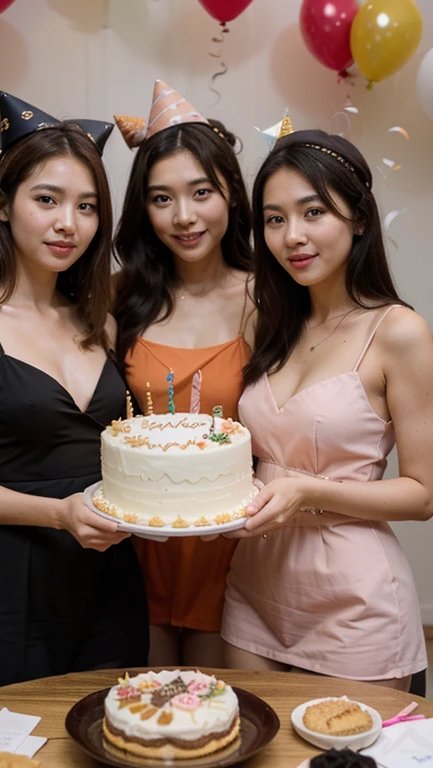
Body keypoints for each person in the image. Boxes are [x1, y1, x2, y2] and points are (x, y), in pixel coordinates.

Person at [0, 92, 148, 708]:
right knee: (10, 745)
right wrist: (59, 514)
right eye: (46, 199)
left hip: (110, 578)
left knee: (113, 736)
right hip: (8, 583)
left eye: (86, 207)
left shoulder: (98, 318)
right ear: (3, 204)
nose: (66, 224)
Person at [222, 124, 431, 690]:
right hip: (253, 588)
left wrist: (308, 491)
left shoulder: (399, 332)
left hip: (353, 601)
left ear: (358, 218)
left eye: (313, 212)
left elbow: (422, 494)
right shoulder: (270, 323)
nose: (293, 235)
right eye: (274, 218)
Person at [113, 81, 255, 666]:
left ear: (231, 194)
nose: (185, 216)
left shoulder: (269, 301)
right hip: (129, 545)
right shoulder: (119, 300)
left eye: (201, 192)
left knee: (219, 721)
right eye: (162, 198)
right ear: (143, 208)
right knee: (141, 714)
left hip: (233, 550)